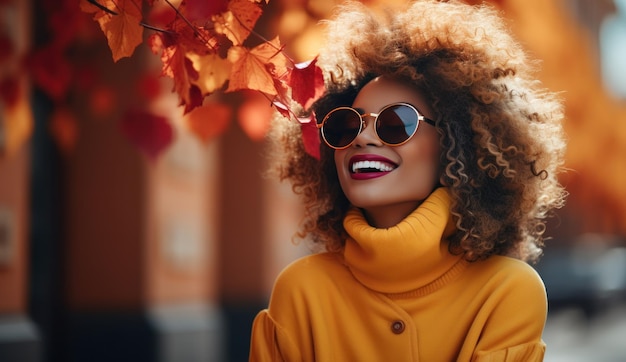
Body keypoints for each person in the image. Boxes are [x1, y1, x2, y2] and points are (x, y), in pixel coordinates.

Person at [250, 0, 567, 360]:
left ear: (455, 143)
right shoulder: (300, 291)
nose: (362, 138)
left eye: (395, 123)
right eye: (346, 124)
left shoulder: (507, 291)